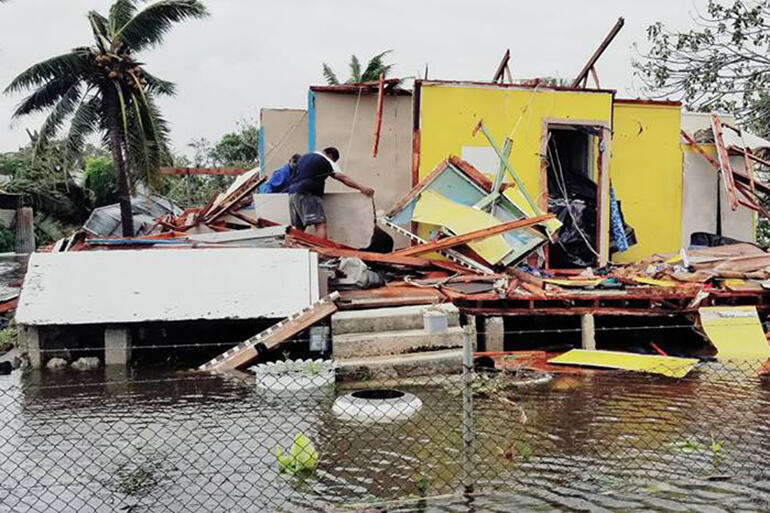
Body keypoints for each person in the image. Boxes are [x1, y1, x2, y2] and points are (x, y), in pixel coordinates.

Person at [286, 147, 374, 240]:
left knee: (299, 228)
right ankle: (321, 252)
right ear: (331, 156)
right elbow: (342, 178)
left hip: (292, 193)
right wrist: (362, 188)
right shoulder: (326, 160)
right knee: (320, 224)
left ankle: (295, 251)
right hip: (308, 193)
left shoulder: (304, 157)